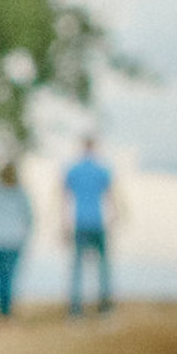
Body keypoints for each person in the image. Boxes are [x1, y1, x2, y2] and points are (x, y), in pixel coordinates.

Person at [63, 135, 116, 316]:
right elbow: (110, 195)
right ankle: (104, 306)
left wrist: (64, 223)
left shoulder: (73, 170)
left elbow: (65, 197)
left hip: (80, 222)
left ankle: (76, 308)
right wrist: (113, 218)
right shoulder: (102, 170)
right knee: (102, 266)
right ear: (94, 147)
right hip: (97, 222)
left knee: (77, 266)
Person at [0, 163, 32, 319]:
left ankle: (2, 309)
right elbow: (29, 217)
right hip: (14, 241)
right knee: (9, 277)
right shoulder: (20, 193)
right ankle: (6, 311)